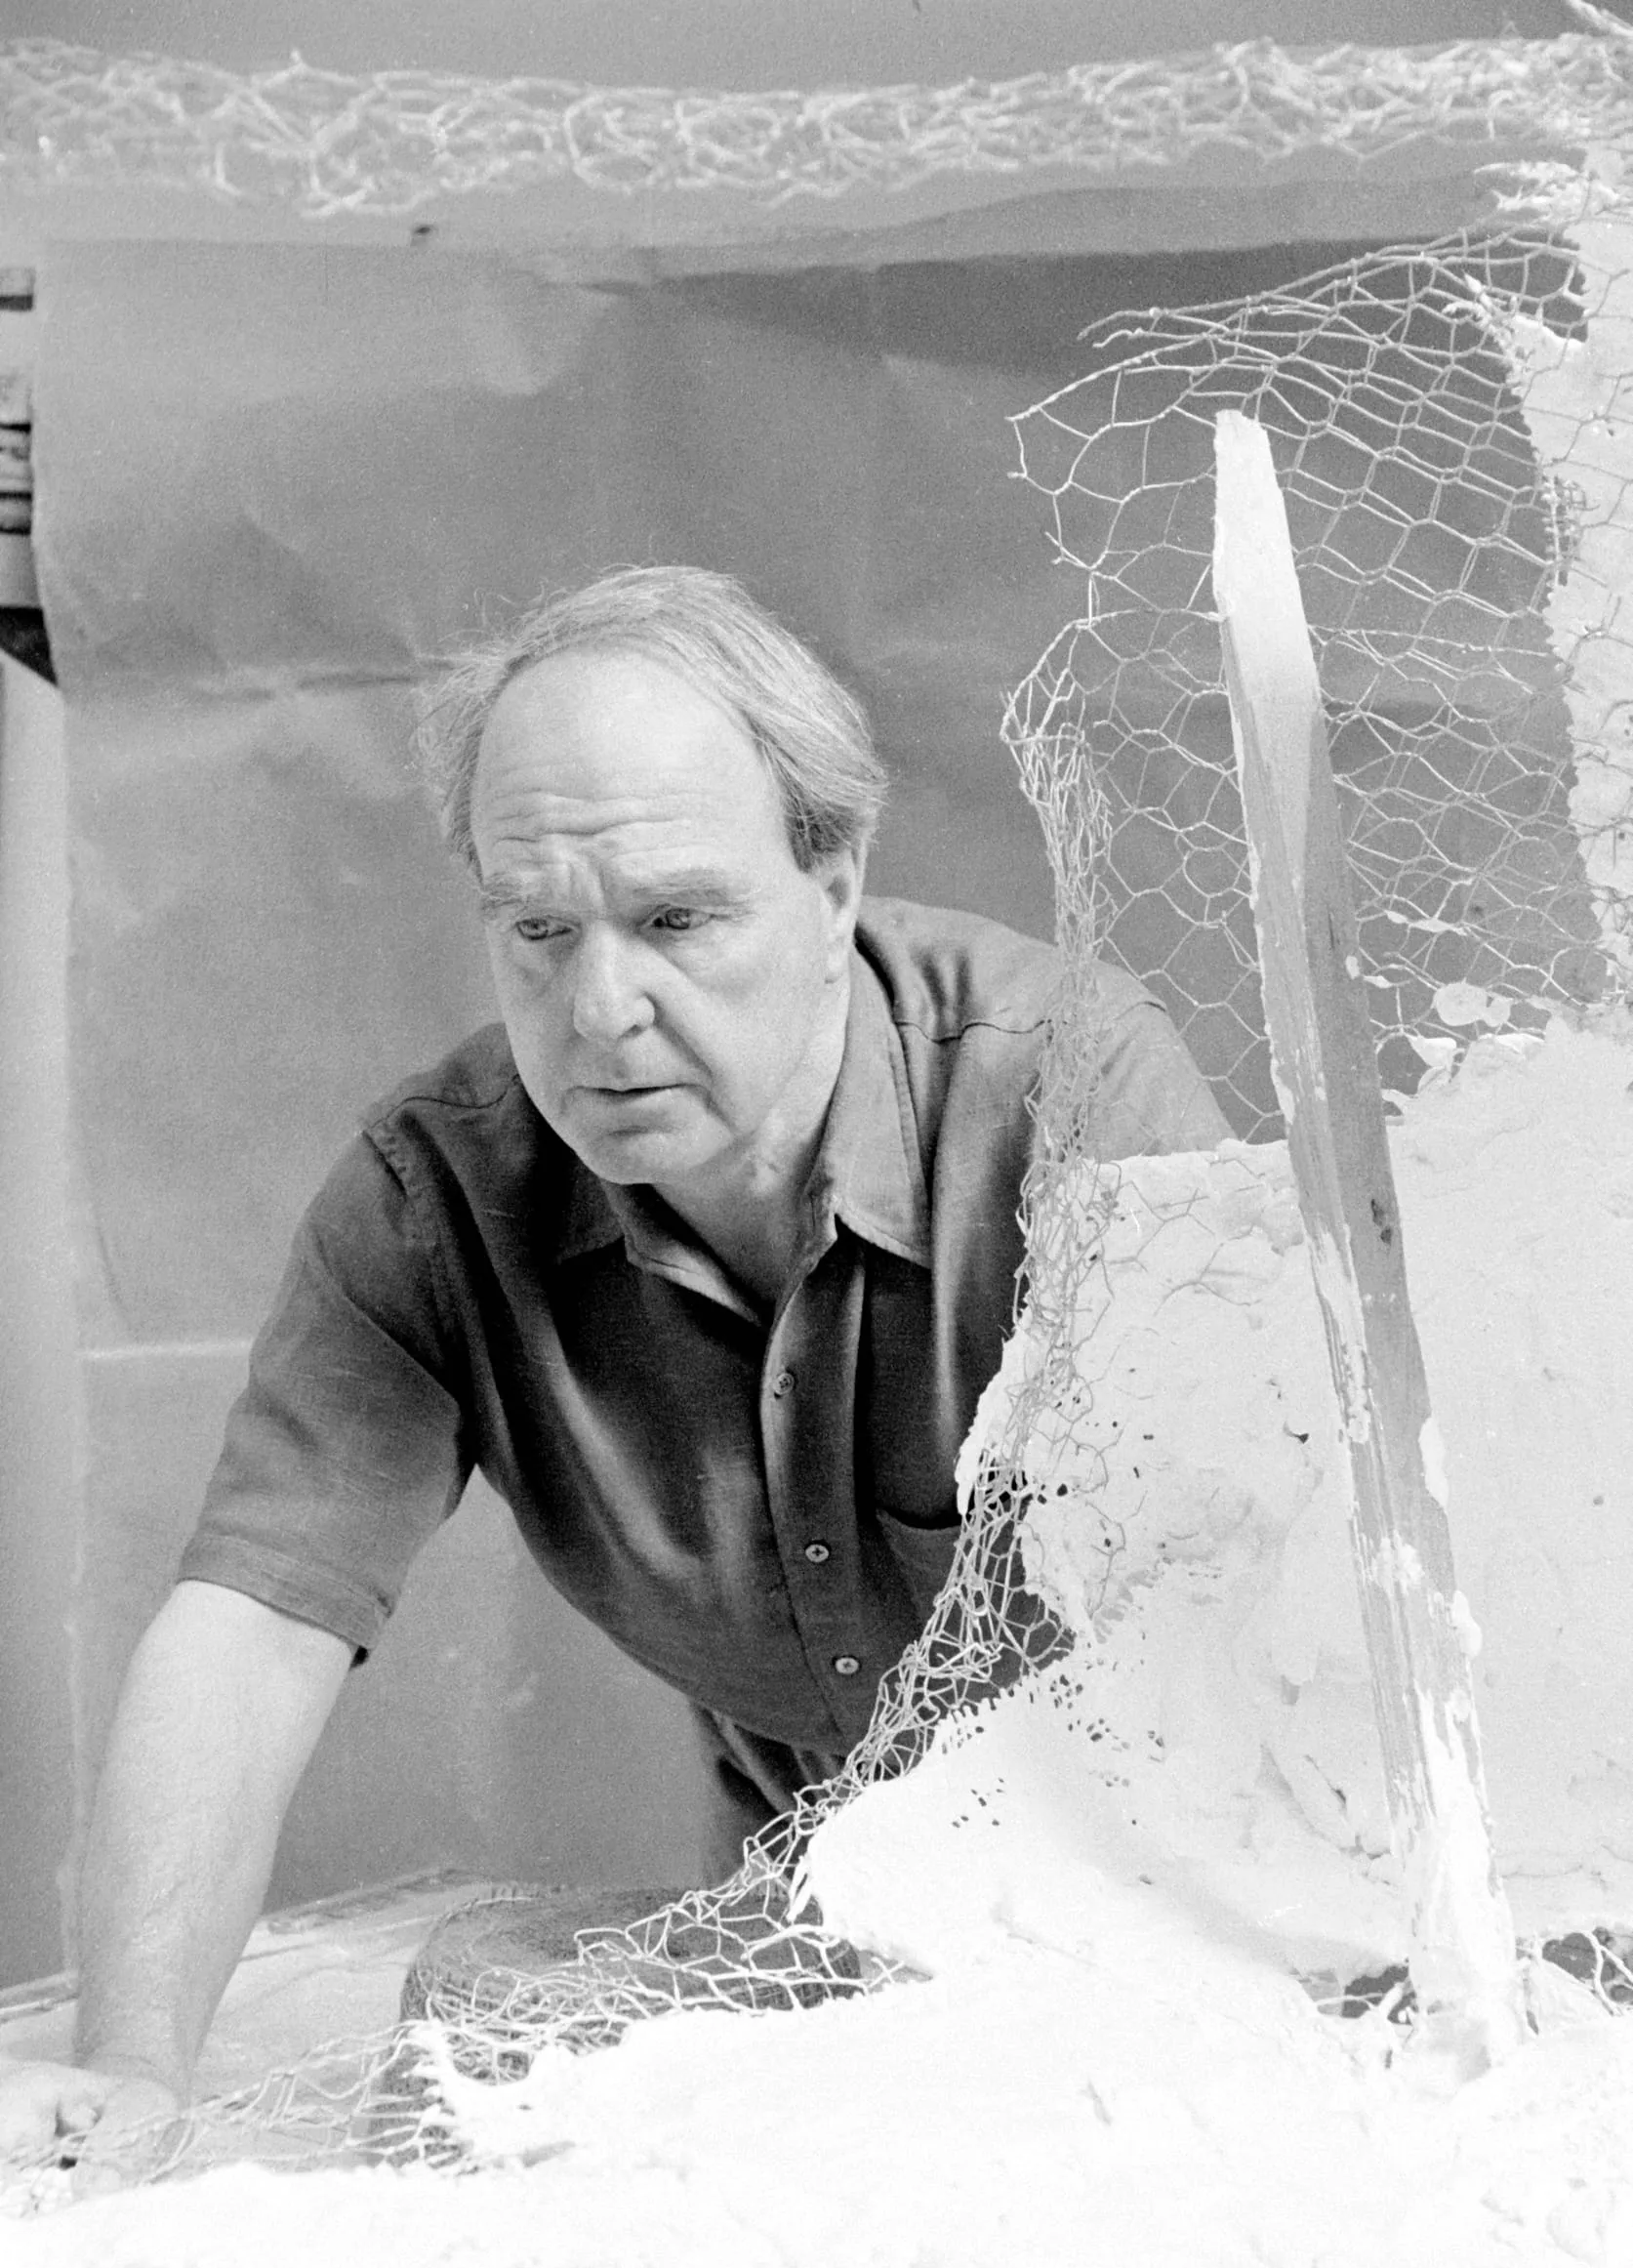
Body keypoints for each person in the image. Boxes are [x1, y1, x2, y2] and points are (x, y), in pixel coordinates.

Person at [0, 564, 1229, 2166]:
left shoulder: (1072, 1097)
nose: (598, 1011)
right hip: (808, 1953)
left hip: (1163, 1933)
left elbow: (1249, 1609)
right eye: (538, 930)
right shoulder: (434, 1197)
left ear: (834, 880)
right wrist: (133, 2067)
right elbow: (250, 1637)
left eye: (675, 921)